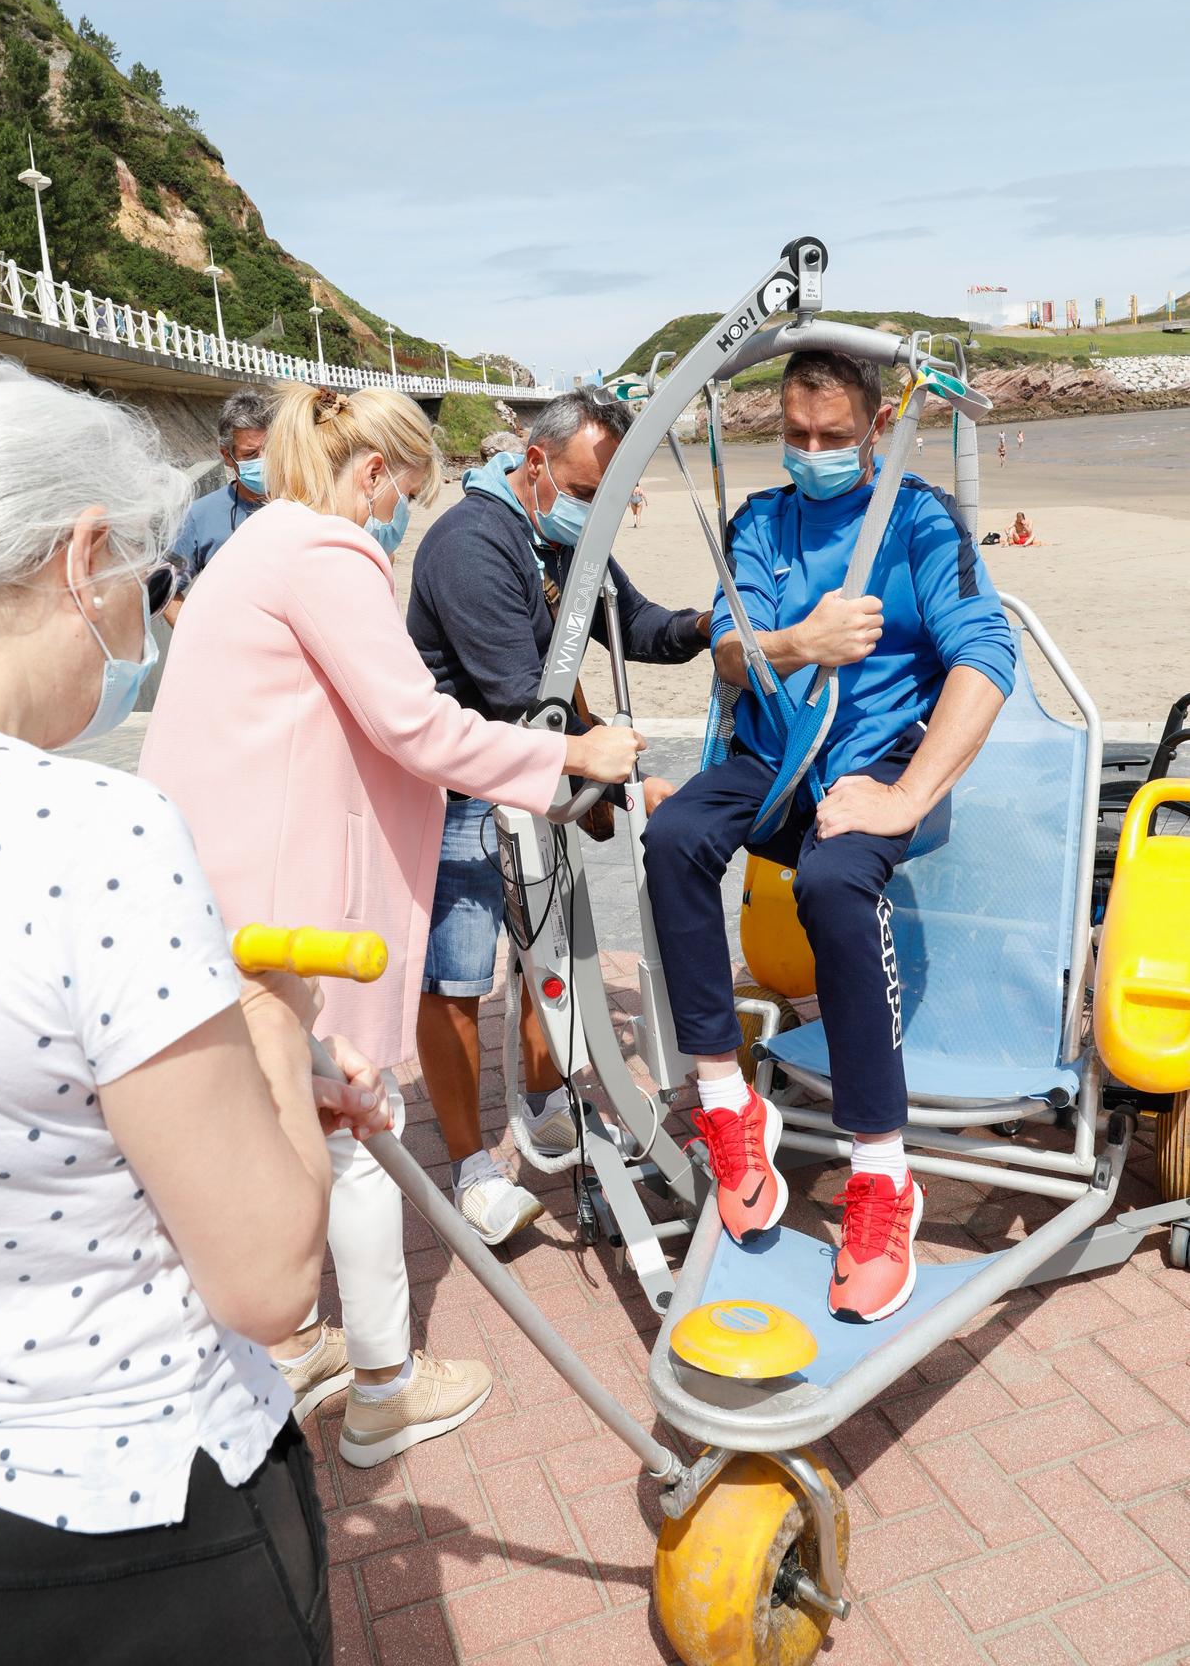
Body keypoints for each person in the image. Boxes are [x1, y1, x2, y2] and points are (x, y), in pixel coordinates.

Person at [0, 359, 391, 1662]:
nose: (133, 627)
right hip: (135, 1524)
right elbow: (266, 1273)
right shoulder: (87, 833)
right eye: (137, 593)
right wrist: (270, 1016)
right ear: (76, 556)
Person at [140, 384, 641, 1463]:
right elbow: (415, 723)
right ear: (370, 475)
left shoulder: (256, 547)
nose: (399, 517)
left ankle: (292, 1340)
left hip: (214, 875)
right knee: (355, 1121)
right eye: (402, 493)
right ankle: (383, 1384)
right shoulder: (326, 551)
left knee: (265, 1112)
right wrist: (568, 757)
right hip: (298, 890)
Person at [642, 350, 1014, 1325]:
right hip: (780, 751)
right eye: (795, 438)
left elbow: (986, 652)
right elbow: (730, 643)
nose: (812, 454)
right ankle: (727, 1104)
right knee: (674, 832)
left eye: (832, 437)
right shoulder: (760, 522)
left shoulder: (920, 519)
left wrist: (906, 795)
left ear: (875, 429)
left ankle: (882, 1176)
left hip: (881, 759)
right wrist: (796, 641)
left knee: (832, 878)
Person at [407, 388, 711, 1245]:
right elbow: (514, 697)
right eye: (585, 493)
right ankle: (469, 1166)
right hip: (463, 787)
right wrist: (628, 788)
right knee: (456, 981)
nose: (594, 512)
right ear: (533, 464)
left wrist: (708, 623)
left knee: (549, 951)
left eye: (608, 499)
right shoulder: (471, 545)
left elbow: (637, 624)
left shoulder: (557, 533)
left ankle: (544, 1109)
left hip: (540, 774)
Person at [163, 389, 276, 624]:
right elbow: (166, 589)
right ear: (227, 455)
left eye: (271, 449)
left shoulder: (306, 501)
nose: (264, 460)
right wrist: (197, 639)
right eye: (251, 454)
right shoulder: (199, 516)